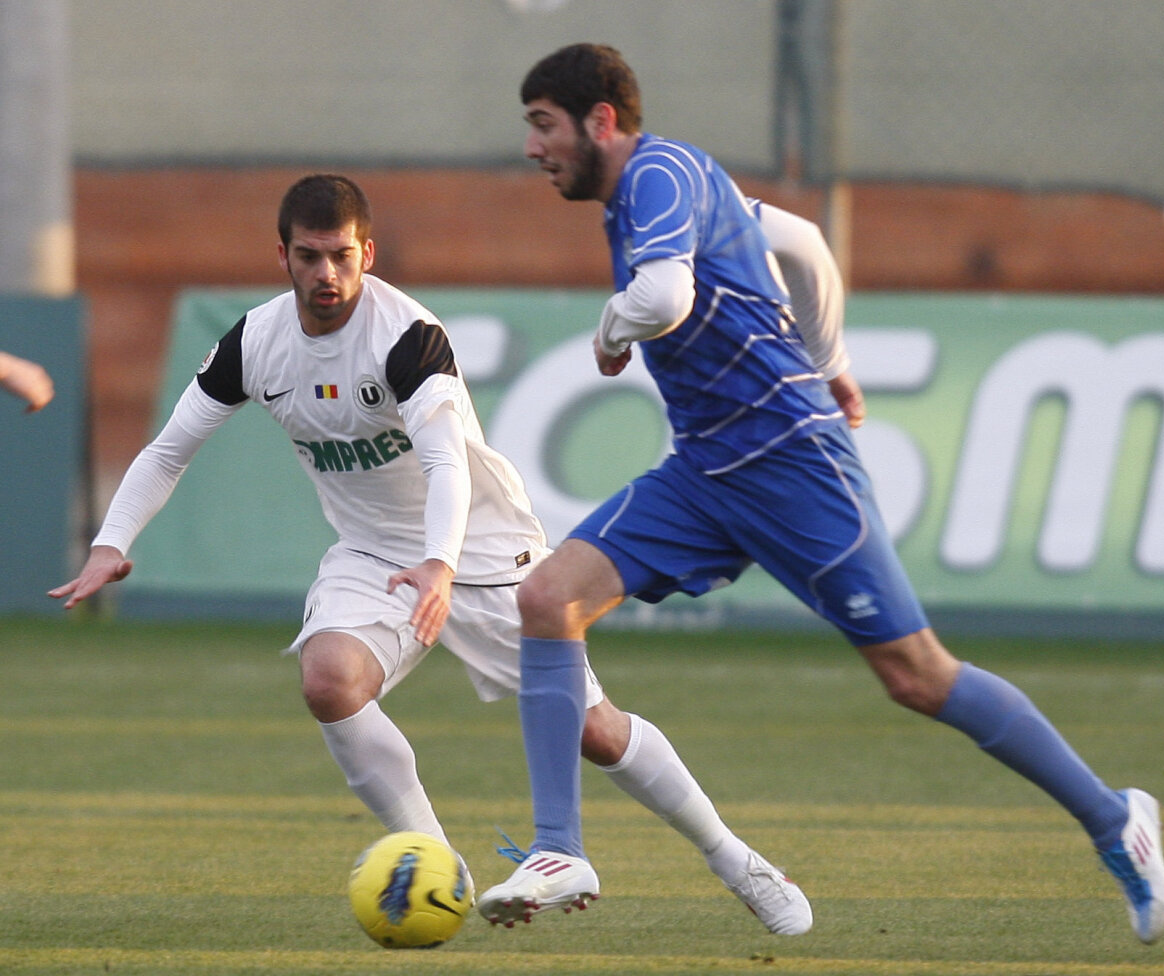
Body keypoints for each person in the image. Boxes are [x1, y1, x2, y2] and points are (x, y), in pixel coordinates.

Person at [476, 43, 1164, 944]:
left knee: (918, 677)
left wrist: (611, 329)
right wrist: (833, 362)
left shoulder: (656, 174)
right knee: (547, 597)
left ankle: (1115, 818)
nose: (534, 148)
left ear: (600, 120)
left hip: (791, 464)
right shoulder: (672, 184)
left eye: (543, 125)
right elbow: (801, 243)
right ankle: (559, 847)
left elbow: (662, 296)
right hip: (707, 472)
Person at [49, 173, 817, 934]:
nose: (326, 274)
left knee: (594, 729)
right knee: (329, 681)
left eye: (341, 256)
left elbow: (448, 463)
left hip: (480, 551)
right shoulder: (254, 342)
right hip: (372, 555)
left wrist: (442, 566)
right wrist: (110, 544)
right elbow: (169, 449)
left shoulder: (406, 337)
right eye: (310, 257)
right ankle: (436, 865)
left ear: (368, 253)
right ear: (281, 255)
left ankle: (731, 856)